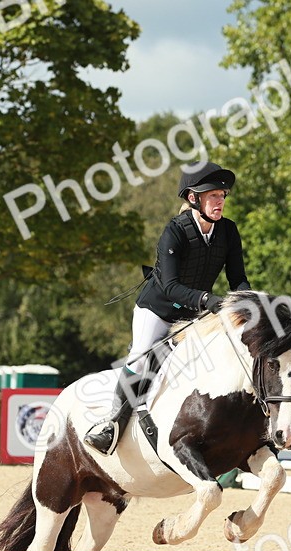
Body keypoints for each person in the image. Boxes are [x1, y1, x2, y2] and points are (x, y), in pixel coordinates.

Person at [84, 161, 251, 455]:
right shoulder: (175, 231)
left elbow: (238, 279)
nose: (220, 201)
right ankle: (111, 424)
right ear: (193, 198)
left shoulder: (228, 231)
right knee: (140, 356)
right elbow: (170, 286)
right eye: (213, 196)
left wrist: (246, 303)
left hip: (193, 313)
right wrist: (206, 301)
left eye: (222, 196)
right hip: (158, 309)